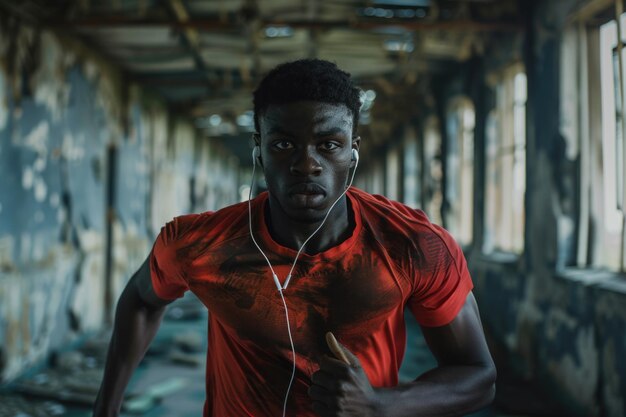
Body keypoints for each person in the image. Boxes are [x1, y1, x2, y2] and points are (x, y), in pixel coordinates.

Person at [93, 59, 496, 417]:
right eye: (284, 144)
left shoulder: (413, 246)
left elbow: (478, 376)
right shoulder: (200, 245)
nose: (307, 164)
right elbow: (142, 302)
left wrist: (380, 406)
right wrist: (105, 408)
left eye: (329, 145)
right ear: (260, 150)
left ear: (353, 151)